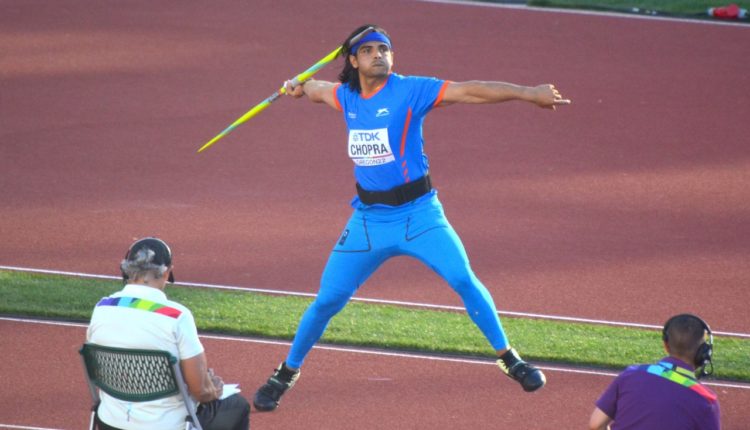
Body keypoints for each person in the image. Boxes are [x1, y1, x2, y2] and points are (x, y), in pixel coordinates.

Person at [253, 24, 571, 412]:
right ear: (353, 61)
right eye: (368, 50)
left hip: (420, 215)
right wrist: (297, 86)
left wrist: (528, 94)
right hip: (369, 221)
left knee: (462, 278)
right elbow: (318, 90)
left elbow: (470, 89)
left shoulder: (410, 90)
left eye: (384, 49)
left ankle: (509, 358)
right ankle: (286, 371)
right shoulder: (347, 96)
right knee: (327, 300)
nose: (378, 55)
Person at [87, 237, 251, 430]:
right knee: (238, 406)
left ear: (127, 270)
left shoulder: (101, 308)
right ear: (166, 272)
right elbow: (201, 391)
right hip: (166, 424)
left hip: (110, 421)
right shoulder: (176, 316)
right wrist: (212, 389)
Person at [588, 313, 721, 430]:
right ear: (704, 353)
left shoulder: (631, 374)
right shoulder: (706, 400)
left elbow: (596, 425)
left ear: (666, 345)